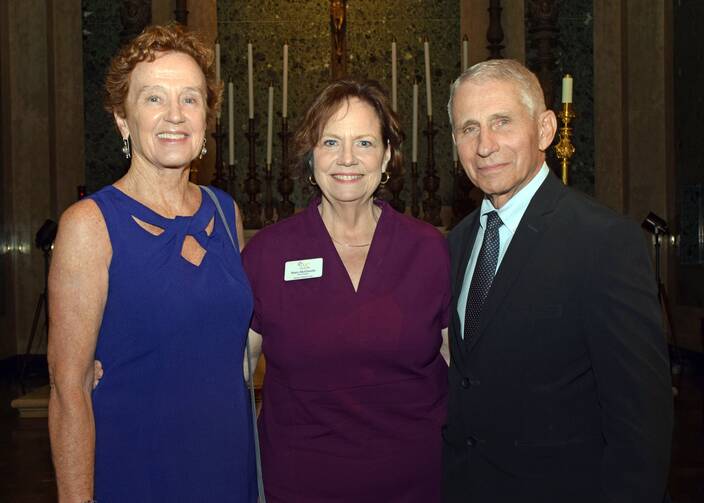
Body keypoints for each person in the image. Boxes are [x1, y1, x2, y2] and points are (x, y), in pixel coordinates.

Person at [442, 58, 673, 502]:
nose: (484, 145)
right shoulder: (457, 242)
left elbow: (641, 422)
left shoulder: (604, 242)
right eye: (468, 128)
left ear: (546, 129)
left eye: (502, 122)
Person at [47, 24, 256, 502]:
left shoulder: (226, 212)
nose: (175, 115)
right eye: (154, 98)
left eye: (190, 98)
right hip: (138, 469)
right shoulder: (89, 225)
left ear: (206, 117)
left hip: (227, 465)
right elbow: (69, 389)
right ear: (123, 119)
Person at [241, 79, 451, 502]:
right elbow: (233, 370)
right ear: (311, 155)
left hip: (418, 484)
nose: (347, 159)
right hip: (299, 485)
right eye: (331, 141)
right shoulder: (267, 253)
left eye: (365, 143)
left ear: (388, 155)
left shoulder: (429, 249)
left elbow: (461, 366)